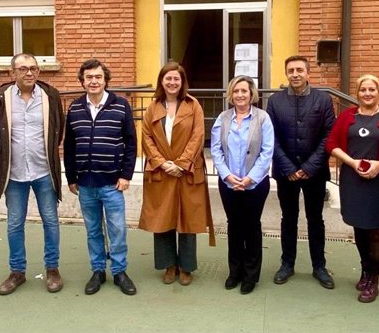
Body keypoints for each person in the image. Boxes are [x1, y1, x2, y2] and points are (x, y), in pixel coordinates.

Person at [325, 75, 379, 302]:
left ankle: (374, 279)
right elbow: (331, 145)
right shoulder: (346, 117)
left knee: (376, 233)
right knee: (359, 229)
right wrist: (352, 162)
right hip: (353, 180)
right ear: (358, 93)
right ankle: (364, 269)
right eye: (363, 90)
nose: (367, 93)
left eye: (372, 89)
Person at [0, 53, 65, 295]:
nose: (29, 73)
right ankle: (17, 272)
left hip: (44, 171)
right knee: (14, 224)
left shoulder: (50, 96)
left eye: (33, 68)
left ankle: (52, 269)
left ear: (39, 72)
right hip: (14, 173)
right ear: (13, 73)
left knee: (51, 222)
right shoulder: (1, 98)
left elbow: (58, 130)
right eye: (22, 69)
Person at [64, 59, 138, 296]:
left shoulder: (121, 106)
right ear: (82, 81)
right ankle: (98, 271)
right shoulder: (75, 108)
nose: (93, 81)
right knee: (93, 230)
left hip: (112, 182)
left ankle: (119, 271)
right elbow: (69, 146)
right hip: (85, 183)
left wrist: (126, 174)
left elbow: (130, 143)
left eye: (98, 77)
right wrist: (71, 177)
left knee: (117, 229)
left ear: (105, 80)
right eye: (89, 77)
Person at [139, 62, 215, 286]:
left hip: (187, 172)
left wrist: (181, 163)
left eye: (176, 79)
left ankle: (186, 267)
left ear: (182, 82)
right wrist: (162, 163)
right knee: (163, 219)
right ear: (162, 81)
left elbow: (198, 136)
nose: (172, 83)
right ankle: (169, 265)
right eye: (168, 78)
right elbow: (146, 138)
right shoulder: (153, 107)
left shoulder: (194, 106)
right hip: (161, 173)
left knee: (187, 219)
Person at [266, 55, 336, 289]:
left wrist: (308, 168)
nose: (295, 74)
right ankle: (287, 263)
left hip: (314, 173)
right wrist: (288, 168)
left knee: (315, 219)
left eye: (299, 70)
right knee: (289, 219)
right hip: (285, 173)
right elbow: (271, 137)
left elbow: (329, 135)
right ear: (286, 74)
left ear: (308, 73)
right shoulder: (275, 101)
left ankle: (319, 266)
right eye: (290, 70)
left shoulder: (323, 100)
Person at [210, 75, 274, 294]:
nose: (240, 95)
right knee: (234, 226)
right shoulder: (223, 118)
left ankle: (250, 275)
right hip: (228, 184)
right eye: (236, 91)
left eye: (244, 91)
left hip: (255, 185)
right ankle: (234, 272)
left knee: (252, 227)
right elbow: (216, 150)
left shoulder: (263, 118)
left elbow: (267, 152)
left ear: (251, 93)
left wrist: (249, 178)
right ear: (231, 94)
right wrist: (227, 176)